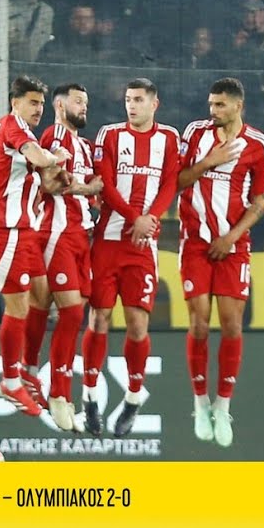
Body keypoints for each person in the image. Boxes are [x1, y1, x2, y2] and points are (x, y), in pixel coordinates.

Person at [176, 77, 264, 448]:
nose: (212, 111)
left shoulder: (259, 144)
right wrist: (208, 162)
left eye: (219, 105)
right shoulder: (195, 134)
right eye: (211, 104)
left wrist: (231, 237)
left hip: (233, 246)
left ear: (238, 106)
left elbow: (262, 200)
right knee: (199, 323)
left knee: (232, 324)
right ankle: (200, 402)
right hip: (195, 243)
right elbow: (177, 181)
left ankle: (223, 405)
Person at [80, 78, 181, 437]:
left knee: (138, 324)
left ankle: (134, 398)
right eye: (127, 100)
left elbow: (170, 183)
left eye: (138, 100)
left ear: (155, 104)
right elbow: (105, 184)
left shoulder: (168, 138)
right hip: (108, 242)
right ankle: (90, 396)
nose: (132, 106)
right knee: (99, 318)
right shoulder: (109, 135)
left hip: (142, 246)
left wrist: (149, 219)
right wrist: (133, 217)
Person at [0, 74, 71, 419]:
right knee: (17, 306)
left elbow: (38, 171)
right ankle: (10, 381)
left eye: (41, 104)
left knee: (41, 294)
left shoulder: (23, 132)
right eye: (33, 102)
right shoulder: (12, 127)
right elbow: (39, 157)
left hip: (24, 230)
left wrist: (54, 169)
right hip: (4, 230)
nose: (38, 109)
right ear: (15, 102)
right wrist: (56, 156)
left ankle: (28, 371)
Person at [26, 82, 102, 432]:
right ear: (59, 105)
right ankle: (52, 389)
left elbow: (93, 186)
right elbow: (50, 184)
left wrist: (88, 190)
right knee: (68, 311)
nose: (84, 107)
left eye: (86, 102)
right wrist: (88, 187)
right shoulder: (54, 137)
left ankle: (53, 387)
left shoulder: (83, 146)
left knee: (69, 313)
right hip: (56, 231)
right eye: (77, 101)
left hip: (81, 235)